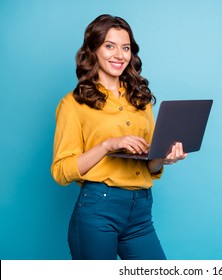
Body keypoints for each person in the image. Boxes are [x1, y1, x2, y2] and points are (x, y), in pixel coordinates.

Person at [51, 14, 187, 260]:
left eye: (125, 48)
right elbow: (61, 171)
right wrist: (106, 145)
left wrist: (163, 158)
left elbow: (149, 162)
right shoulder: (72, 104)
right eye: (109, 46)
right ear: (93, 50)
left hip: (141, 211)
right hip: (98, 209)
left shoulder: (140, 99)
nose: (119, 55)